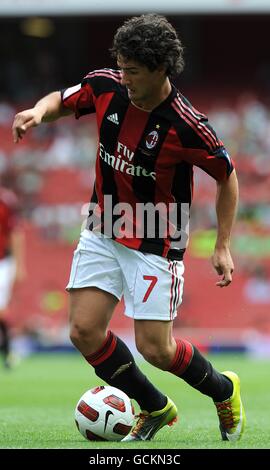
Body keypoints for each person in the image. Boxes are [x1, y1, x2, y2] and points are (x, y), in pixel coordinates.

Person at [12, 13, 245, 441]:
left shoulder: (188, 125)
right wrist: (36, 111)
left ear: (161, 69)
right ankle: (155, 407)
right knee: (83, 331)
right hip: (102, 226)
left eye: (133, 72)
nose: (125, 78)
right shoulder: (105, 85)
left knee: (157, 349)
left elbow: (227, 176)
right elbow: (62, 100)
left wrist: (223, 244)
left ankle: (223, 389)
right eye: (121, 67)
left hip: (156, 240)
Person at [0, 182, 25, 368]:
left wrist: (19, 265)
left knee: (1, 310)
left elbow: (16, 234)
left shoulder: (5, 201)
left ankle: (8, 352)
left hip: (2, 262)